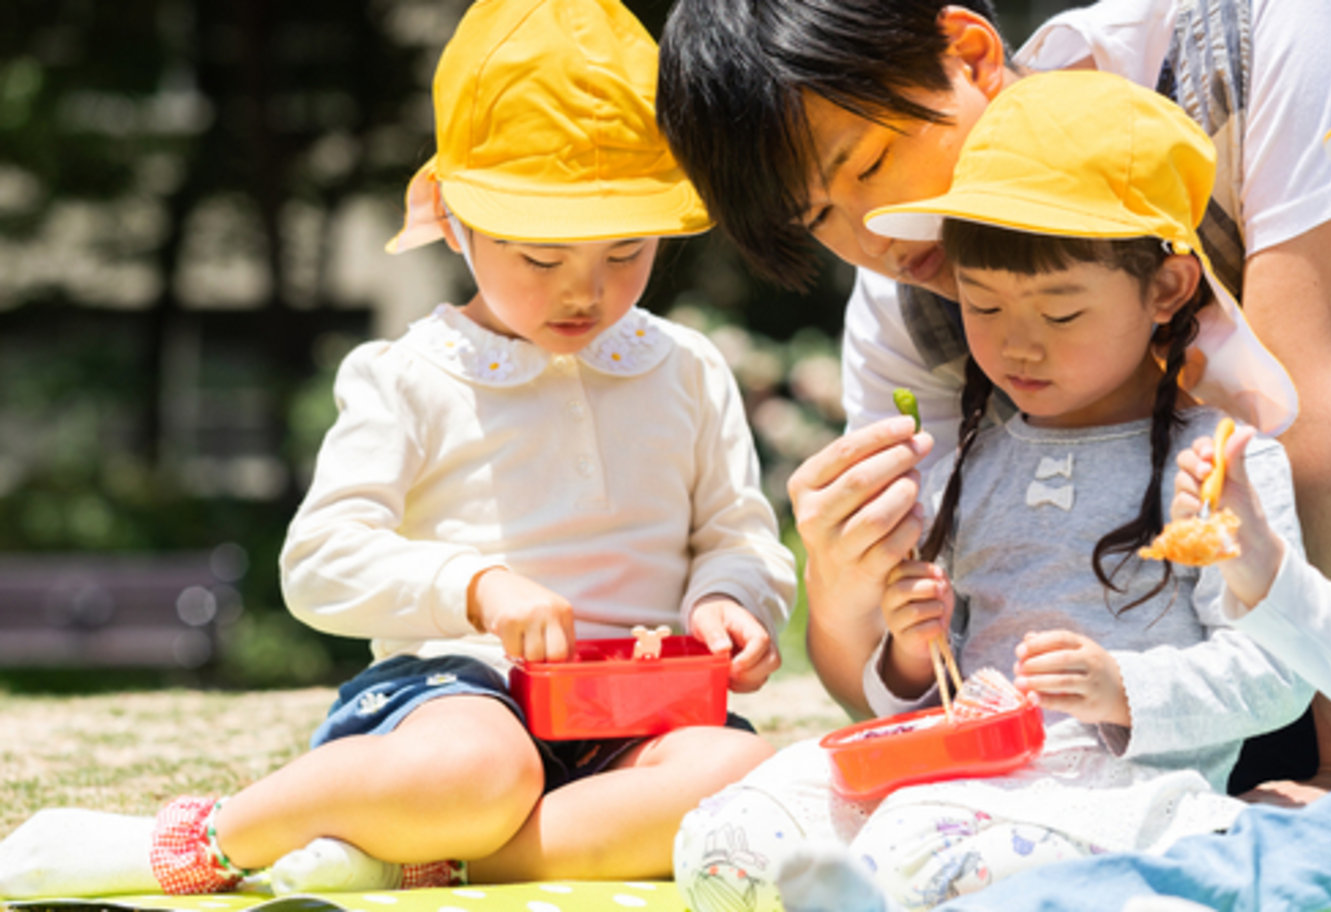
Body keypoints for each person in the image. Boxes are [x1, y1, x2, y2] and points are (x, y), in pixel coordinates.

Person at [0, 0, 796, 899]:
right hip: (456, 694)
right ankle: (209, 838)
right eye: (540, 258)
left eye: (626, 250)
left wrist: (732, 599)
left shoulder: (684, 368)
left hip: (639, 705)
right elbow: (318, 562)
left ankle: (415, 853)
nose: (588, 291)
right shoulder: (408, 376)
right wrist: (473, 588)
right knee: (483, 776)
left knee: (745, 771)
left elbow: (737, 531)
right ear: (453, 218)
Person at [656, 0, 1331, 800]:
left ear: (969, 54)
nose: (874, 240)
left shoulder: (1261, 36)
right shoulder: (902, 304)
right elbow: (887, 687)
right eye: (818, 215)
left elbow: (1302, 405)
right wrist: (845, 576)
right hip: (1091, 753)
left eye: (869, 165)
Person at [869, 393, 1331, 912]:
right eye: (985, 308)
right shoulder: (965, 468)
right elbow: (936, 696)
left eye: (1063, 315)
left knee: (960, 875)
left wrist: (1122, 690)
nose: (1019, 340)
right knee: (820, 820)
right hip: (968, 789)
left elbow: (1278, 674)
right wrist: (913, 649)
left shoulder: (1216, 457)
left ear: (1165, 305)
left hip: (1131, 799)